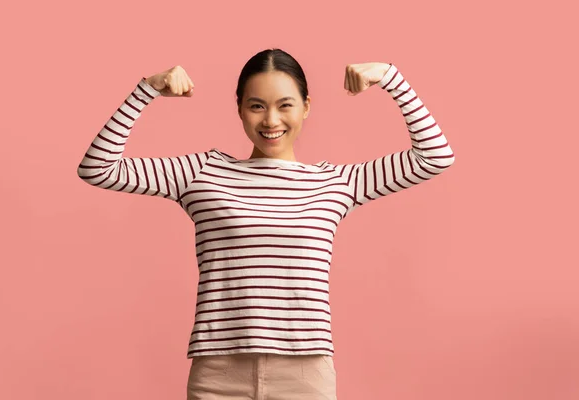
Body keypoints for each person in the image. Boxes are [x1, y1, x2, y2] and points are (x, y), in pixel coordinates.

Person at [77, 48, 455, 400]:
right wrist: (147, 89)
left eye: (284, 105)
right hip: (218, 372)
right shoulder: (203, 172)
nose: (271, 120)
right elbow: (98, 168)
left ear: (306, 107)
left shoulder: (335, 183)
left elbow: (434, 156)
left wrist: (390, 76)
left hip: (305, 373)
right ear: (239, 108)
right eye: (256, 106)